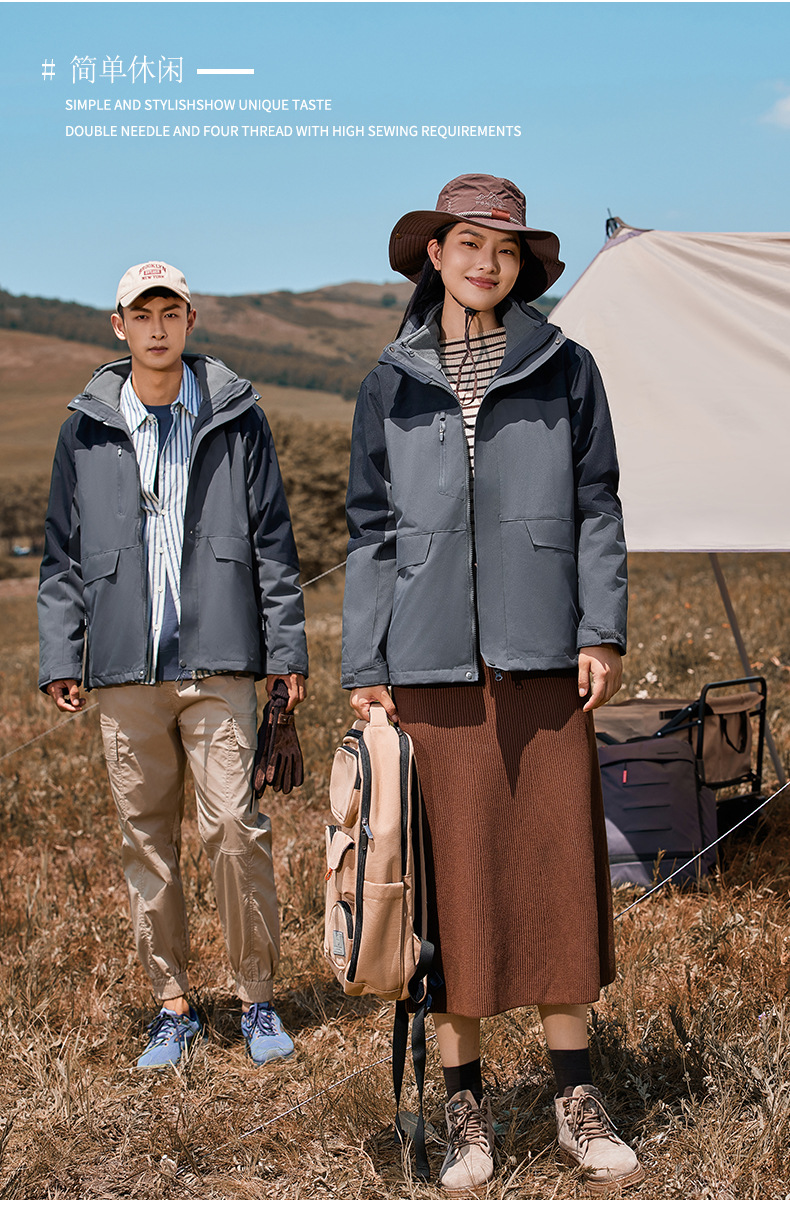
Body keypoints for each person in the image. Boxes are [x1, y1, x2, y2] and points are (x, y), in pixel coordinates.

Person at [341, 176, 641, 1192]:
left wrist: (600, 631)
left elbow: (597, 503)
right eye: (469, 244)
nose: (487, 263)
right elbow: (370, 532)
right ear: (435, 254)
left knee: (555, 878)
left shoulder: (566, 367)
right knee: (451, 891)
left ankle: (576, 1100)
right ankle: (465, 1111)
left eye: (505, 250)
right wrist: (365, 665)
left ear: (521, 267)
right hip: (426, 669)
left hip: (545, 659)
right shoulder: (389, 380)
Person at [38, 261, 307, 1070]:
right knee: (145, 839)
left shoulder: (237, 417)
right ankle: (174, 1006)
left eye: (170, 312)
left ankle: (258, 999)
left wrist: (285, 652)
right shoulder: (84, 429)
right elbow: (61, 554)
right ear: (118, 326)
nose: (156, 328)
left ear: (191, 320)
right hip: (126, 667)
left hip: (220, 660)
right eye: (141, 314)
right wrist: (62, 652)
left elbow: (274, 541)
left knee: (234, 829)